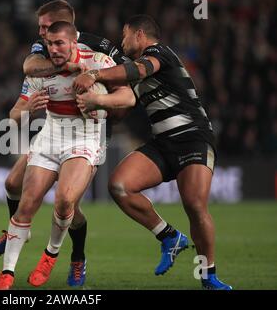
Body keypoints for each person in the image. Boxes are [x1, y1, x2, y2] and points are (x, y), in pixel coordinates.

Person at [74, 15, 232, 290]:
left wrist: (95, 75)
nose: (122, 42)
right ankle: (170, 236)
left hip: (192, 137)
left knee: (194, 205)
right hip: (162, 143)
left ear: (139, 35)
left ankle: (208, 276)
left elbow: (140, 70)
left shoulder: (159, 53)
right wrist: (99, 107)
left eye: (124, 35)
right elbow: (123, 110)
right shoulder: (132, 71)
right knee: (120, 186)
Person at [0, 0, 129, 287]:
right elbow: (15, 112)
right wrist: (25, 112)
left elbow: (127, 98)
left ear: (71, 36)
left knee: (66, 203)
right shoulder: (40, 64)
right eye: (46, 39)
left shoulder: (98, 59)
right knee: (17, 189)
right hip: (50, 136)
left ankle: (62, 256)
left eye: (53, 37)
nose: (47, 44)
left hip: (87, 136)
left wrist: (98, 97)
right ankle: (9, 266)